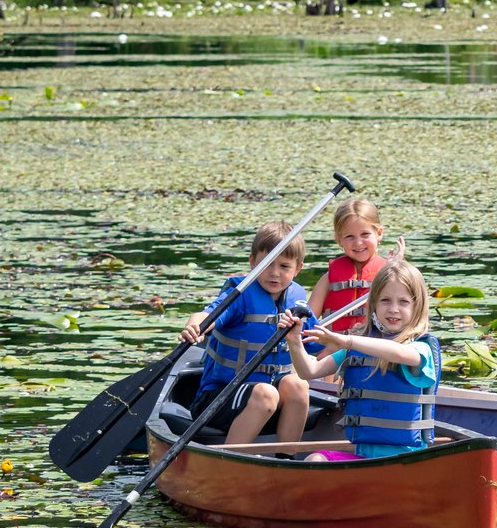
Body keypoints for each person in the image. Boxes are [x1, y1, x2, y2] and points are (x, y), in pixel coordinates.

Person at [283, 261, 441, 459]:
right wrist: (294, 340)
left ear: (417, 306)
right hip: (363, 458)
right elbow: (310, 371)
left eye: (403, 302)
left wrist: (347, 340)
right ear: (373, 304)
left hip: (406, 460)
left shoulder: (420, 349)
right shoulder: (358, 350)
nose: (393, 309)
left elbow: (399, 354)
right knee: (315, 459)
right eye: (385, 300)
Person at [181, 221, 316, 446]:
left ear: (297, 268)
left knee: (297, 385)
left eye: (284, 266)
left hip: (268, 406)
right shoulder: (240, 295)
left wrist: (346, 344)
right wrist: (194, 326)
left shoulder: (297, 300)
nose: (274, 273)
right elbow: (207, 315)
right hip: (218, 400)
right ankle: (230, 461)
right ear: (252, 261)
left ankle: (285, 459)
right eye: (266, 263)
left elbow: (318, 343)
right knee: (266, 393)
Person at [305, 196, 404, 335]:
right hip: (334, 351)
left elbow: (404, 312)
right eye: (349, 236)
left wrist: (395, 270)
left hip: (375, 350)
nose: (358, 243)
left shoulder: (387, 274)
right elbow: (307, 320)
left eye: (365, 234)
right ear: (338, 240)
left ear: (379, 233)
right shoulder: (328, 279)